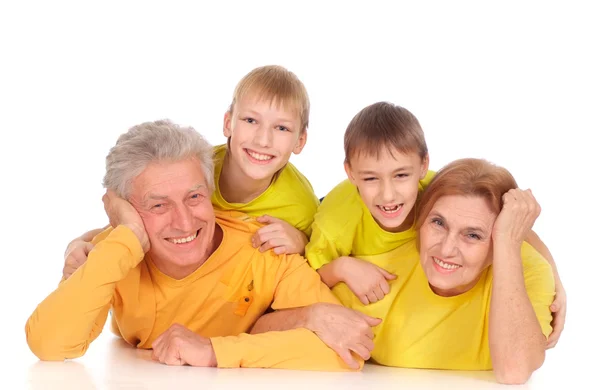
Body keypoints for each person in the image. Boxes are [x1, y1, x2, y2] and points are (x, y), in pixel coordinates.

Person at [25, 119, 378, 370]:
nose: (184, 221)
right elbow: (50, 344)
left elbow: (345, 350)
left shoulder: (264, 247)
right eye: (158, 204)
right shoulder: (117, 252)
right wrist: (126, 237)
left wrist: (213, 352)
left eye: (194, 196)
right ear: (126, 211)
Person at [303, 102, 566, 346]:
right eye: (371, 178)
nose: (388, 194)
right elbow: (306, 279)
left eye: (401, 175)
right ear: (350, 173)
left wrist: (556, 282)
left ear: (422, 166)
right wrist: (341, 268)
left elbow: (516, 228)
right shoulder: (335, 221)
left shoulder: (435, 190)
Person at [62, 65, 318, 280]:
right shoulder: (194, 169)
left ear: (300, 141)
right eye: (250, 121)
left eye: (282, 128)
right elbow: (134, 223)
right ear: (228, 123)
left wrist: (302, 244)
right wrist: (78, 244)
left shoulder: (301, 205)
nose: (263, 140)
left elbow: (318, 267)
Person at [328, 158, 555, 384]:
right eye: (438, 223)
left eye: (473, 235)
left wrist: (507, 243)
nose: (446, 249)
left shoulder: (527, 271)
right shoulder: (372, 276)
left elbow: (514, 371)